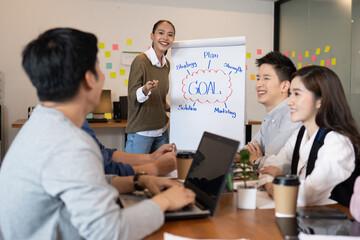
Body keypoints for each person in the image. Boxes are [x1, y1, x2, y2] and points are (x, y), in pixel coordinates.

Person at [0, 28, 195, 240]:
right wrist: (166, 201)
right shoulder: (69, 143)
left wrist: (139, 181)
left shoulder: (43, 124)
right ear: (88, 79)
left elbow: (88, 181)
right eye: (98, 68)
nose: (102, 76)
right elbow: (111, 232)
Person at [260, 65, 360, 206]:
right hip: (303, 216)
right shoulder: (300, 133)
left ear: (321, 100)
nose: (289, 101)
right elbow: (269, 167)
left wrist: (279, 177)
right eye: (290, 93)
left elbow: (306, 195)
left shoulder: (337, 142)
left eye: (297, 94)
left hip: (333, 223)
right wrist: (274, 180)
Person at [125, 20, 175, 154]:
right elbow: (132, 96)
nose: (165, 38)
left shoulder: (166, 65)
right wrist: (145, 89)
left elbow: (160, 98)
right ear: (152, 36)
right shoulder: (140, 61)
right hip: (141, 133)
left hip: (162, 131)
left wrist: (173, 107)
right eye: (161, 33)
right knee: (135, 173)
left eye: (170, 35)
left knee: (162, 173)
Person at [247, 51, 301, 169]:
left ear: (285, 86)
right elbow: (250, 150)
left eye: (266, 78)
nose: (258, 84)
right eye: (258, 78)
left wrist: (257, 160)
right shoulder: (271, 115)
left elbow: (274, 160)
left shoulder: (292, 115)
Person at [81, 120, 177, 176]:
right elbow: (106, 169)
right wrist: (154, 168)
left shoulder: (80, 121)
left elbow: (103, 154)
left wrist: (152, 158)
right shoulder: (72, 126)